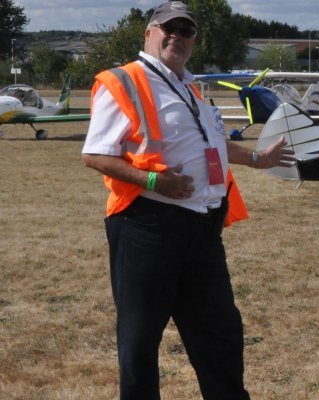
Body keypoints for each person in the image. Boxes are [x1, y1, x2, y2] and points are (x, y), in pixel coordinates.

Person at [81, 2, 294, 399]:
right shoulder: (124, 81)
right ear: (149, 33)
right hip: (148, 227)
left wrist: (257, 159)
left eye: (186, 31)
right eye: (169, 29)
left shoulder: (189, 87)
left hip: (202, 230)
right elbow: (95, 155)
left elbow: (210, 145)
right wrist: (152, 181)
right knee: (140, 341)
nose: (177, 37)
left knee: (220, 335)